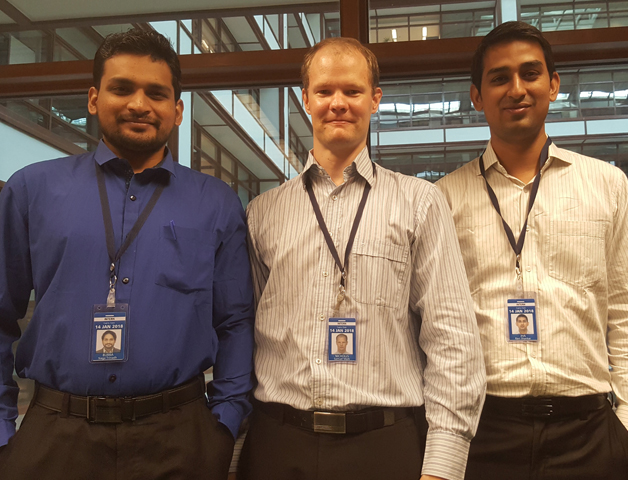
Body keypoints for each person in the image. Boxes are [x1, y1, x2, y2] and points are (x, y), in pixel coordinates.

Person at [0, 29, 254, 480]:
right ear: (95, 99)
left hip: (182, 441)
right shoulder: (31, 190)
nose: (139, 104)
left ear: (176, 110)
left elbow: (235, 321)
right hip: (54, 439)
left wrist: (224, 423)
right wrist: (2, 433)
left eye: (156, 93)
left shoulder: (216, 202)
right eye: (122, 88)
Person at [238, 37, 485, 480]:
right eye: (324, 91)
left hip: (384, 445)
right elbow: (246, 335)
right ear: (305, 100)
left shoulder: (420, 202)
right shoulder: (263, 212)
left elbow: (452, 339)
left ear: (374, 100)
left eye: (352, 91)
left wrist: (443, 464)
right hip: (278, 442)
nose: (338, 103)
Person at [437, 21, 628, 480]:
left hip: (590, 434)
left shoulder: (607, 185)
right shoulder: (444, 198)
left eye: (530, 73)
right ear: (476, 96)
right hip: (484, 433)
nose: (516, 89)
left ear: (553, 85)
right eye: (499, 78)